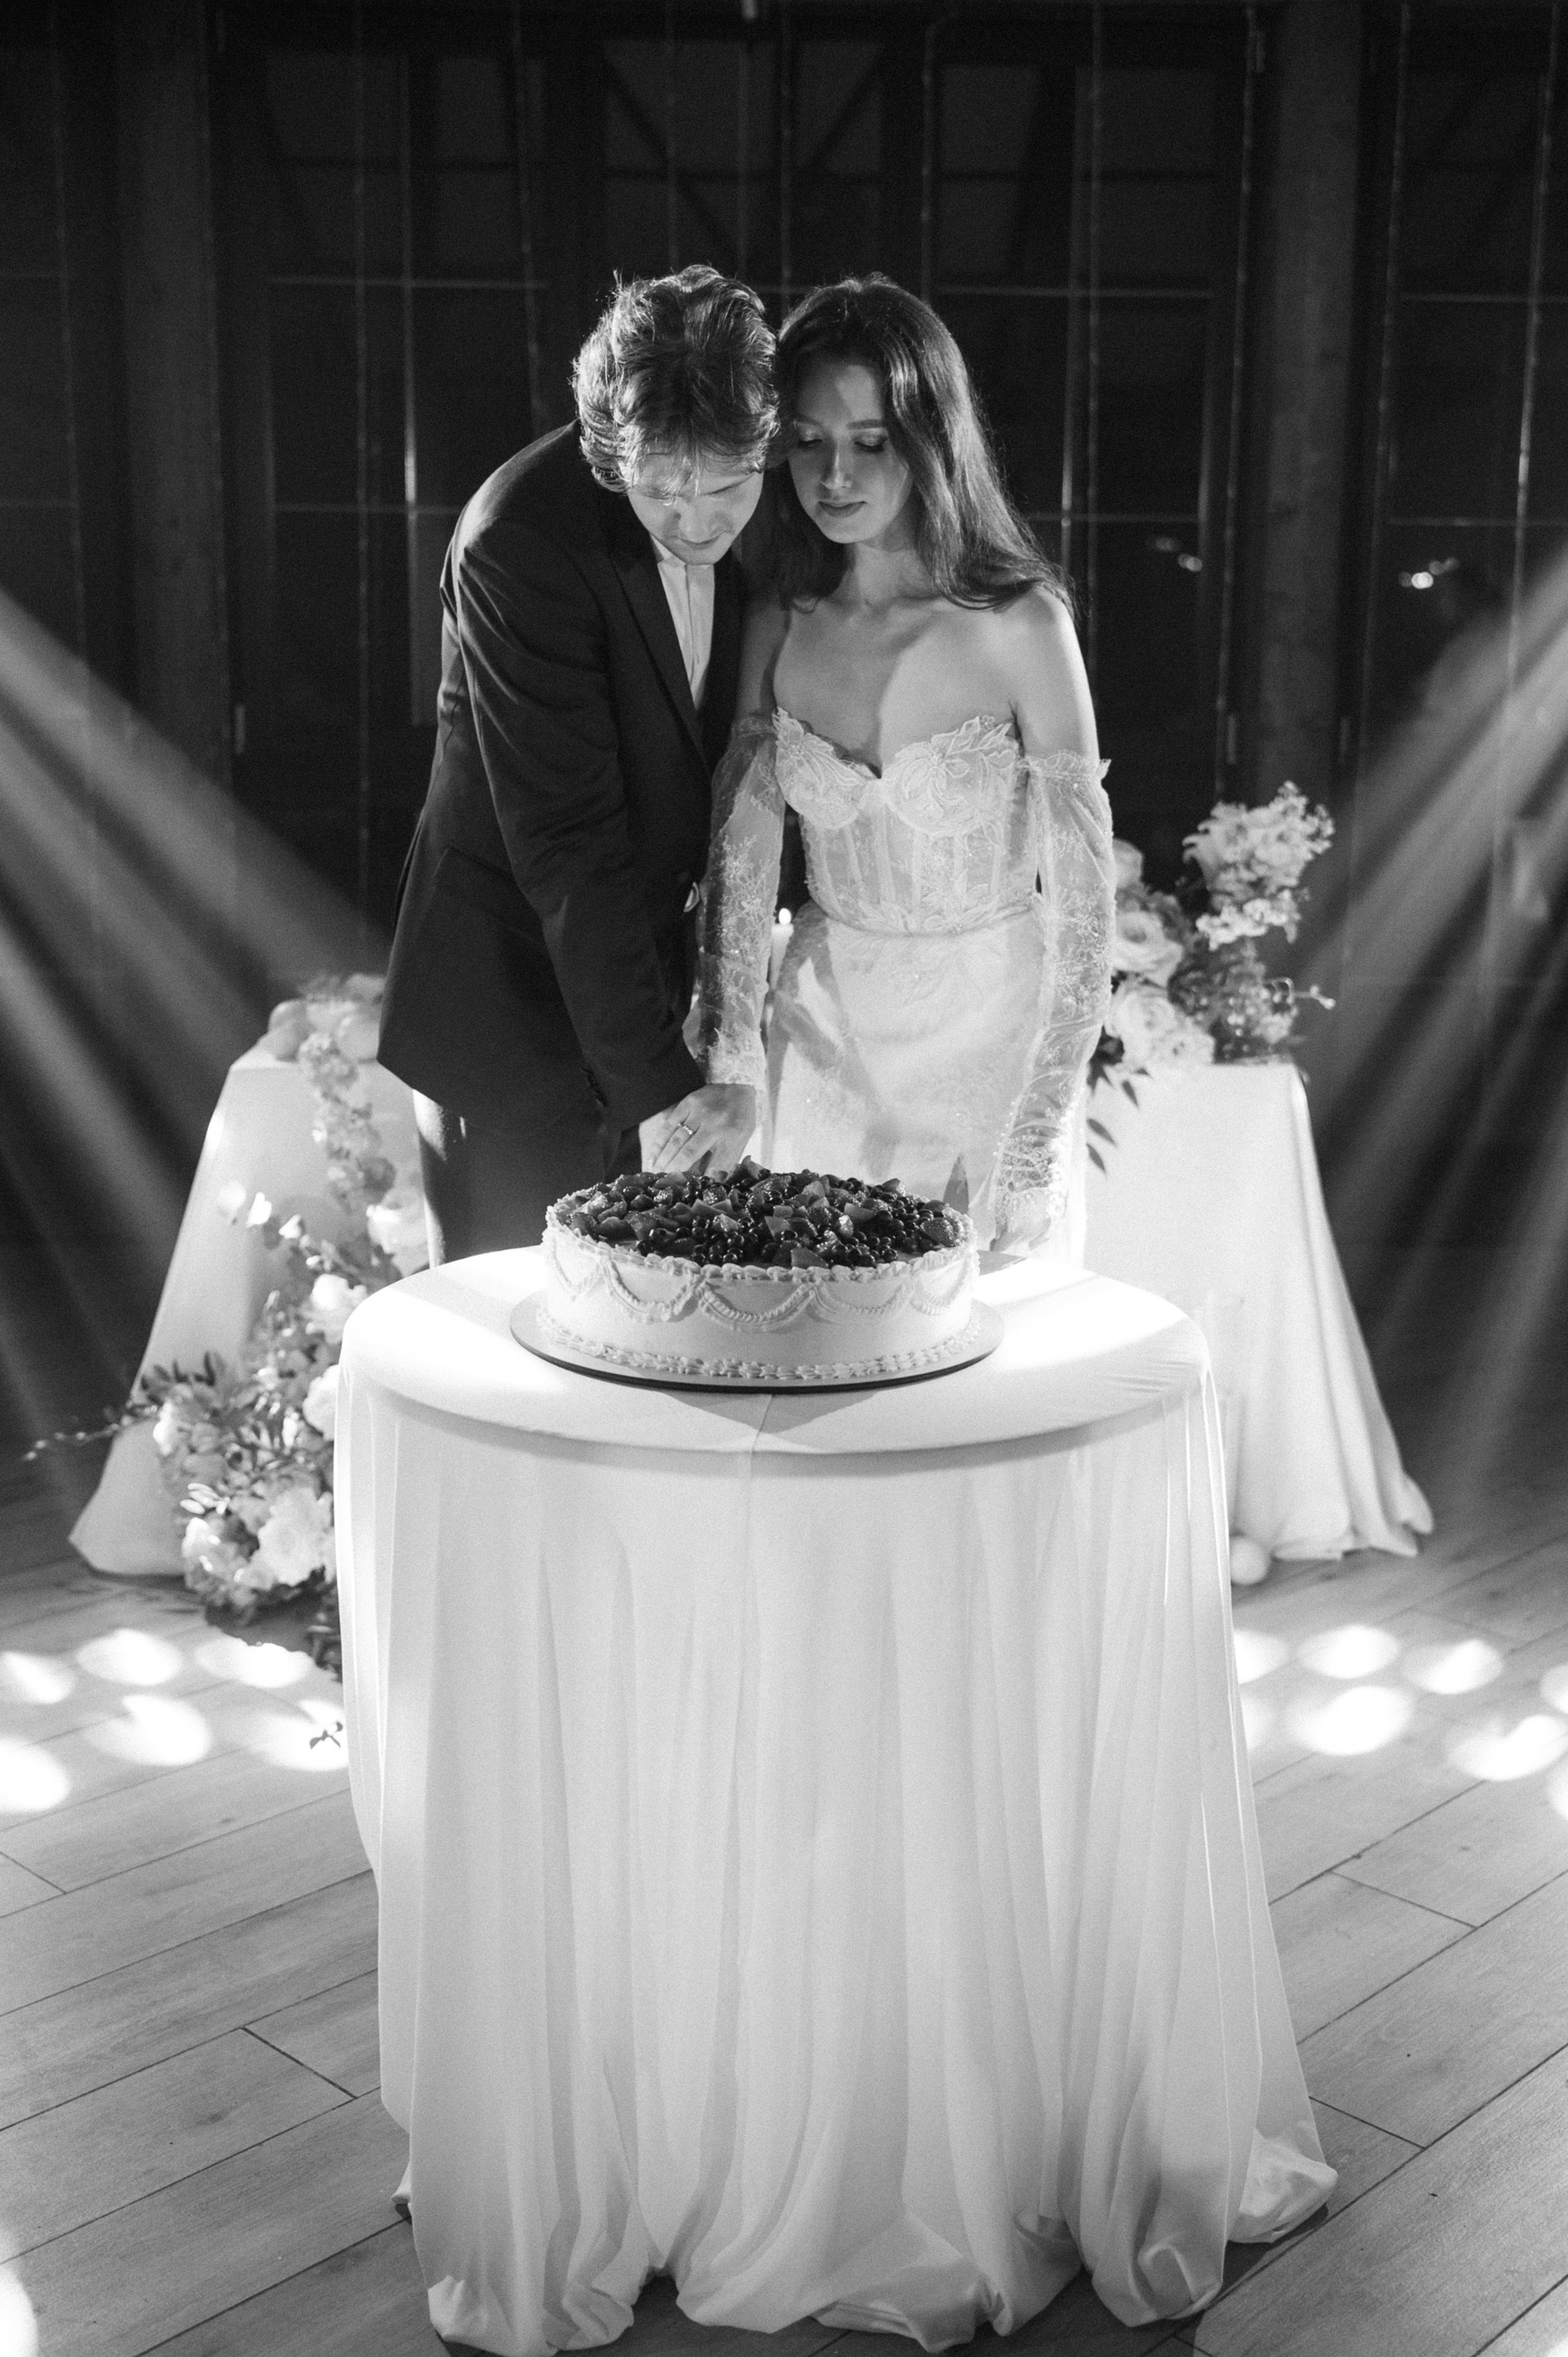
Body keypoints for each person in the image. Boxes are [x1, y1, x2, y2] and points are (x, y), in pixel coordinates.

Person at [658, 276, 1115, 1255]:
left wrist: (1036, 1134)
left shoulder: (1021, 625)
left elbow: (1085, 914)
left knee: (975, 1327)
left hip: (993, 1050)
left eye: (870, 441)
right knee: (811, 1309)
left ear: (929, 438)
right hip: (826, 1034)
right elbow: (741, 872)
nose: (834, 476)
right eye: (808, 440)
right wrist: (733, 1065)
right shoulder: (778, 621)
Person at [377, 266, 776, 1262]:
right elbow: (568, 843)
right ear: (610, 453)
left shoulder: (777, 510)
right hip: (505, 1018)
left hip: (644, 993)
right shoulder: (520, 540)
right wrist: (664, 1095)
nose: (696, 522)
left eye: (726, 486)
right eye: (661, 491)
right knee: (509, 1328)